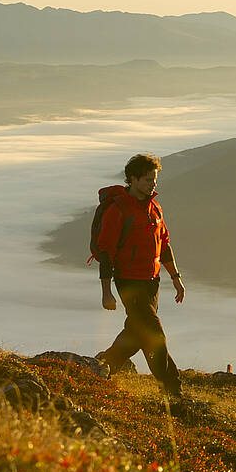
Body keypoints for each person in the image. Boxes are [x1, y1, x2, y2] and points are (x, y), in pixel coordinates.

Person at [93, 153, 188, 399]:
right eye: (147, 180)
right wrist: (107, 293)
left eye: (154, 179)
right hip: (129, 282)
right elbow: (106, 253)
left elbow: (164, 244)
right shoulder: (118, 210)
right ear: (132, 179)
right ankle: (172, 389)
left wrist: (176, 278)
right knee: (154, 334)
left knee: (135, 333)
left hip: (151, 282)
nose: (152, 184)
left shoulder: (154, 208)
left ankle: (103, 365)